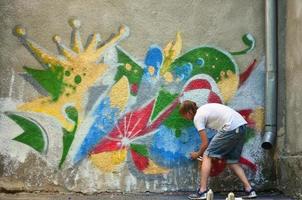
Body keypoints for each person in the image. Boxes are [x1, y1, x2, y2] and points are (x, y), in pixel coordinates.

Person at [179, 100, 257, 200]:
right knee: (232, 161)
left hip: (231, 127)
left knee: (207, 155)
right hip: (241, 126)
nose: (185, 118)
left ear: (189, 112)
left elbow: (205, 143)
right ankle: (250, 190)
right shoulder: (204, 110)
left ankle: (202, 191)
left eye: (184, 115)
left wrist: (197, 154)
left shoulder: (197, 117)